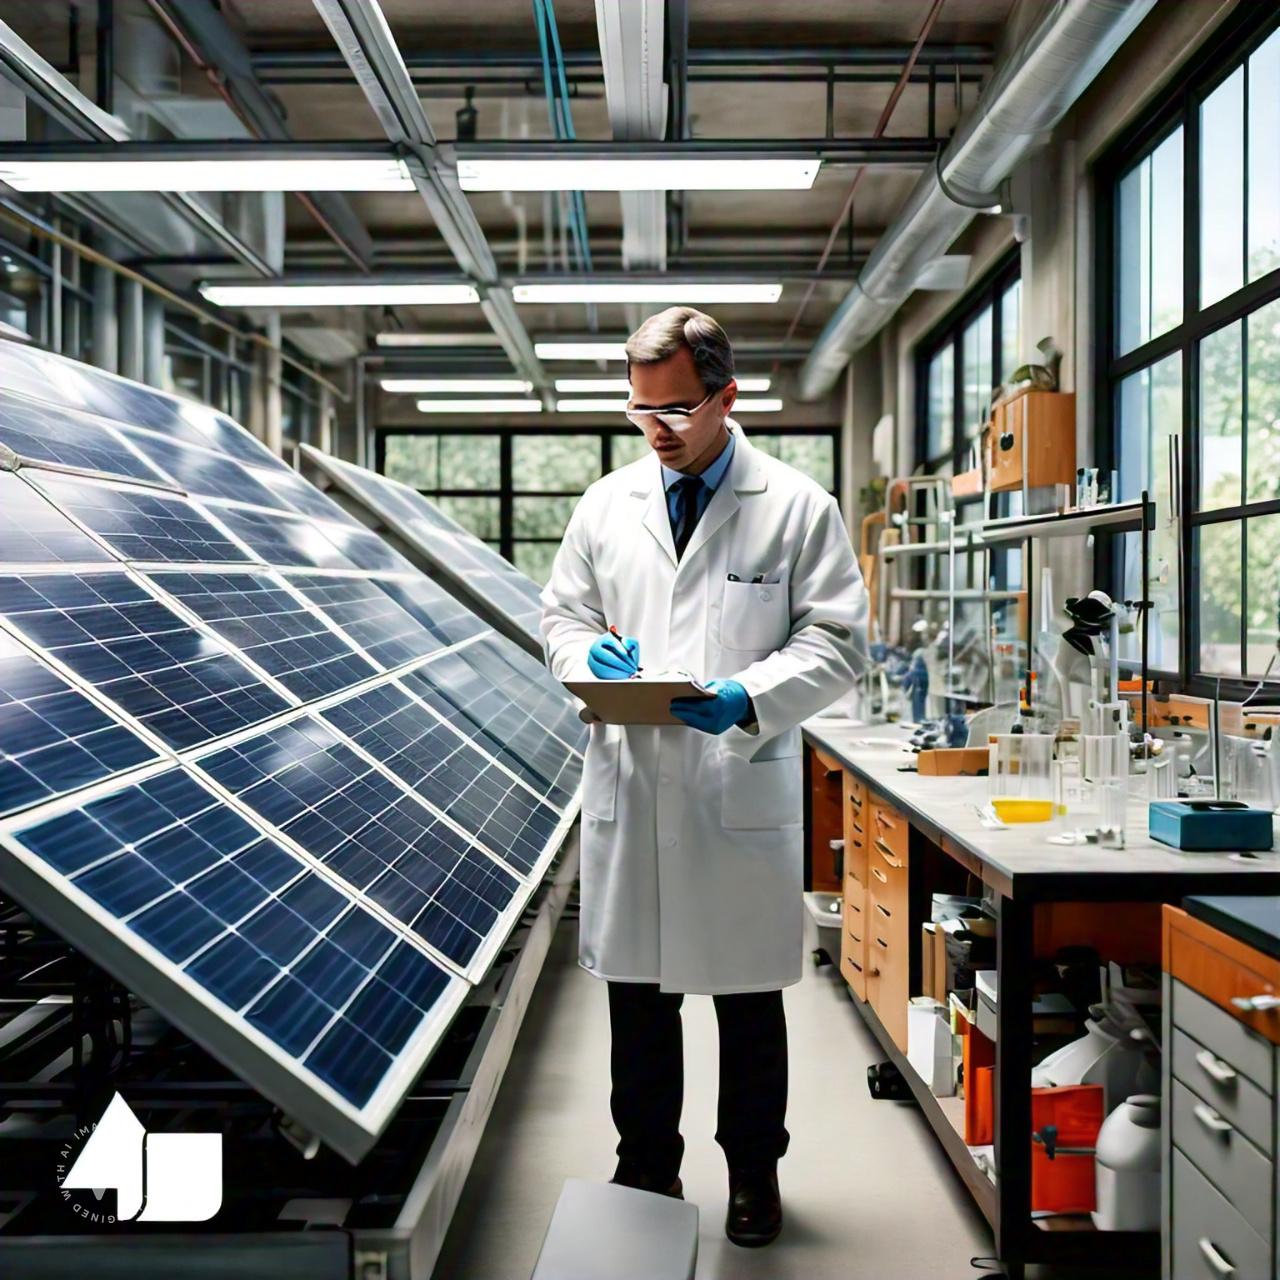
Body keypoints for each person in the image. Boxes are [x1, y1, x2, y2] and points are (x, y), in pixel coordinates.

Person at [540, 306, 866, 1248]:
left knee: (747, 1008)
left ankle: (754, 1175)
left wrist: (750, 694)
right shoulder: (608, 504)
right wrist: (587, 657)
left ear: (727, 397)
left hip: (735, 783)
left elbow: (838, 640)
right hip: (636, 788)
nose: (656, 430)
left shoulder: (798, 507)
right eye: (640, 410)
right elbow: (562, 616)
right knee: (636, 1008)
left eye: (676, 410)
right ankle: (646, 1165)